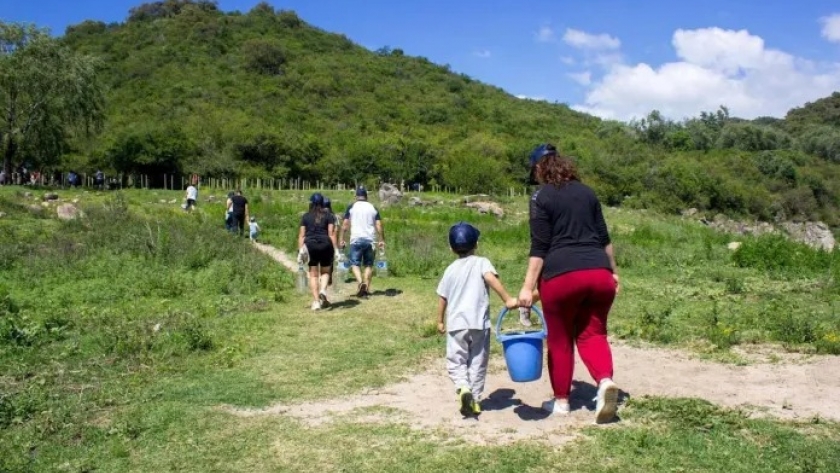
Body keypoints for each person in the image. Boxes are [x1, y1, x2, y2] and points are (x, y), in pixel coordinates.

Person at [517, 143, 621, 424]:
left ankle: (562, 401)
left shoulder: (540, 196)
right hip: (599, 274)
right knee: (593, 334)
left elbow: (540, 247)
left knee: (561, 341)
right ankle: (604, 382)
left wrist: (527, 287)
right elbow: (603, 237)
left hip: (562, 276)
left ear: (539, 168)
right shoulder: (587, 192)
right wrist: (613, 272)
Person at [437, 222, 518, 417]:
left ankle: (463, 388)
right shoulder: (482, 262)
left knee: (456, 360)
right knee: (478, 361)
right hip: (478, 323)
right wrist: (507, 299)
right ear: (476, 245)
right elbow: (490, 278)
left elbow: (443, 297)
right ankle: (475, 399)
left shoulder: (450, 269)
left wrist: (440, 320)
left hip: (456, 324)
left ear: (451, 248)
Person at [340, 186, 385, 298]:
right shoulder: (373, 207)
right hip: (370, 240)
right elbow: (379, 225)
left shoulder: (352, 206)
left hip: (356, 239)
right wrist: (381, 239)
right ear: (366, 196)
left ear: (356, 196)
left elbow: (345, 224)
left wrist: (341, 238)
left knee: (355, 264)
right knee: (368, 265)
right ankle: (366, 288)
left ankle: (361, 283)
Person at [298, 193, 337, 310]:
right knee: (325, 271)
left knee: (313, 275)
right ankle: (323, 290)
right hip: (325, 245)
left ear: (311, 203)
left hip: (311, 246)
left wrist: (300, 250)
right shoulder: (329, 215)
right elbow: (331, 234)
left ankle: (316, 302)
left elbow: (301, 235)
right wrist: (336, 250)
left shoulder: (305, 216)